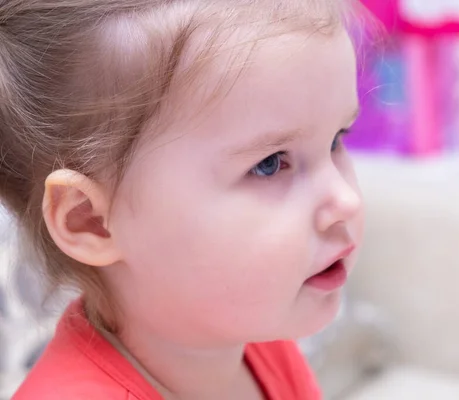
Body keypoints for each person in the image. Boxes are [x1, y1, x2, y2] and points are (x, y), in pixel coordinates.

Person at [0, 0, 364, 398]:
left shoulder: (259, 343)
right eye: (269, 164)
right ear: (90, 220)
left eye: (337, 139)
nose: (346, 200)